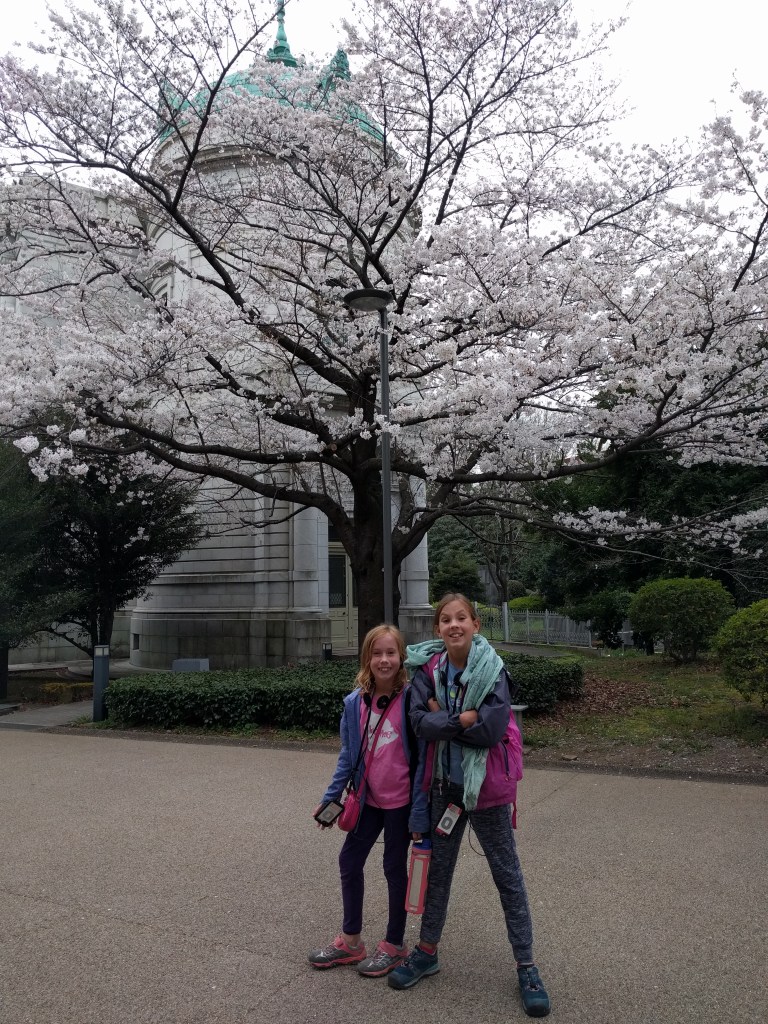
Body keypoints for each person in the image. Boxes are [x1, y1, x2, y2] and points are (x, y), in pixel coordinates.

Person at [387, 594, 551, 1018]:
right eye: (446, 619)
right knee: (437, 874)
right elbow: (419, 722)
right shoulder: (428, 670)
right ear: (437, 628)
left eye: (462, 618)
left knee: (507, 876)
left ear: (476, 624)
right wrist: (462, 718)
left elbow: (493, 730)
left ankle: (527, 964)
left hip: (488, 791)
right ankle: (426, 951)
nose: (454, 625)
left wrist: (447, 721)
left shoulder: (493, 669)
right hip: (446, 788)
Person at [309, 624, 429, 978]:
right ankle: (351, 940)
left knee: (394, 868)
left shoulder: (411, 700)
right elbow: (348, 756)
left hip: (401, 804)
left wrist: (419, 814)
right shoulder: (354, 703)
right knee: (349, 860)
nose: (384, 660)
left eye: (391, 653)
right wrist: (330, 799)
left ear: (401, 658)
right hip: (368, 800)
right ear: (367, 659)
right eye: (377, 653)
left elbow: (423, 761)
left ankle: (394, 944)